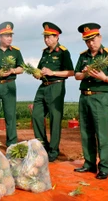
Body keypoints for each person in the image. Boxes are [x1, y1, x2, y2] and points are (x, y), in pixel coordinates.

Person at [74, 23, 108, 180]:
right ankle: (89, 163)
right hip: (84, 96)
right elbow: (77, 75)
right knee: (86, 132)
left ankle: (105, 167)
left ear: (99, 37)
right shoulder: (83, 56)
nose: (90, 43)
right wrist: (85, 73)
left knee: (101, 133)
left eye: (93, 40)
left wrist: (104, 78)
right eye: (87, 41)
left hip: (100, 97)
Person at [31, 22, 74, 162]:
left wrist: (52, 72)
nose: (46, 40)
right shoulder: (45, 52)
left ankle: (53, 151)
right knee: (36, 115)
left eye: (49, 37)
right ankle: (43, 145)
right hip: (43, 86)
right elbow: (40, 69)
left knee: (55, 120)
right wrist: (37, 73)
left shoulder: (63, 52)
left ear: (57, 37)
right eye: (45, 37)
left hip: (56, 86)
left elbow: (71, 72)